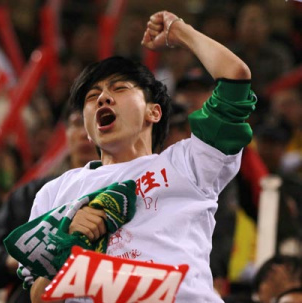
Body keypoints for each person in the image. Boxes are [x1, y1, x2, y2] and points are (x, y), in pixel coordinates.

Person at [17, 9, 257, 303]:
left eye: (119, 89)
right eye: (92, 97)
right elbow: (38, 296)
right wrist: (68, 242)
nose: (103, 98)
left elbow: (235, 78)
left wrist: (179, 32)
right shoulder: (54, 193)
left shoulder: (188, 164)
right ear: (89, 131)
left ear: (153, 112)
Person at [0, 108, 99, 303]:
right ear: (65, 134)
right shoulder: (33, 194)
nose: (85, 134)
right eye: (77, 123)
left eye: (94, 123)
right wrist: (25, 256)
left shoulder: (125, 193)